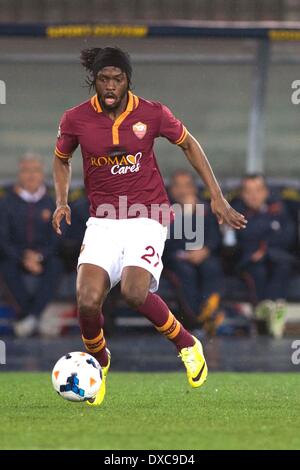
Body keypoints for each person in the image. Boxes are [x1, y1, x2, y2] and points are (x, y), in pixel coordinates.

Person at [52, 47, 246, 406]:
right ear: (93, 80)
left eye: (118, 78)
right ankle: (100, 362)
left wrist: (216, 196)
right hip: (104, 220)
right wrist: (62, 200)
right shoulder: (75, 119)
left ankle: (188, 344)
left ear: (128, 80)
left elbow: (188, 144)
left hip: (147, 215)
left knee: (134, 291)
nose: (110, 86)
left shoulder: (152, 113)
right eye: (103, 78)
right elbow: (61, 159)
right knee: (88, 301)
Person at [0, 153, 62, 337]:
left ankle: (28, 318)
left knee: (56, 266)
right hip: (15, 256)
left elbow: (57, 236)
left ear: (42, 174)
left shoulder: (53, 201)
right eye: (26, 170)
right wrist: (23, 257)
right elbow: (3, 238)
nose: (31, 175)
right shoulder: (6, 202)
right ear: (20, 174)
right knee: (7, 267)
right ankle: (34, 316)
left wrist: (39, 256)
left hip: (44, 256)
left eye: (35, 170)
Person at [233, 173, 296, 337]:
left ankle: (273, 309)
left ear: (266, 192)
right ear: (242, 194)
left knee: (283, 266)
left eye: (258, 190)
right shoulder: (235, 209)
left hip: (277, 257)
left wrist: (264, 249)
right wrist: (269, 229)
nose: (254, 195)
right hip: (248, 260)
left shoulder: (280, 207)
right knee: (257, 270)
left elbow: (288, 235)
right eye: (249, 191)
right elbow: (242, 236)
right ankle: (264, 313)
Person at [164, 170, 224, 325]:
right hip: (175, 258)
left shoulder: (206, 207)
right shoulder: (162, 208)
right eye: (178, 186)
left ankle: (209, 312)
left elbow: (215, 237)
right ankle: (195, 319)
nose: (183, 190)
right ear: (171, 190)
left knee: (212, 267)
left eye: (187, 186)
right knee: (185, 272)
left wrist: (205, 250)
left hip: (202, 255)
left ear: (194, 189)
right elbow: (166, 240)